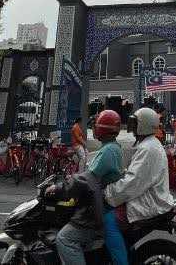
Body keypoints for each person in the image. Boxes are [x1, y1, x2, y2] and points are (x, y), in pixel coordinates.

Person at [54, 110, 125, 265]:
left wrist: (60, 188)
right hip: (99, 201)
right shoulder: (111, 148)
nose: (93, 129)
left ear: (102, 129)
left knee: (65, 238)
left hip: (96, 207)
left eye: (96, 126)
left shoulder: (108, 151)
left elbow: (87, 179)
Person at [104, 107, 176, 248]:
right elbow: (136, 175)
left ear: (143, 125)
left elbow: (132, 183)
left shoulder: (147, 148)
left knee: (109, 220)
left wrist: (108, 192)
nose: (132, 128)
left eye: (134, 124)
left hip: (147, 202)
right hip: (151, 196)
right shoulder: (150, 144)